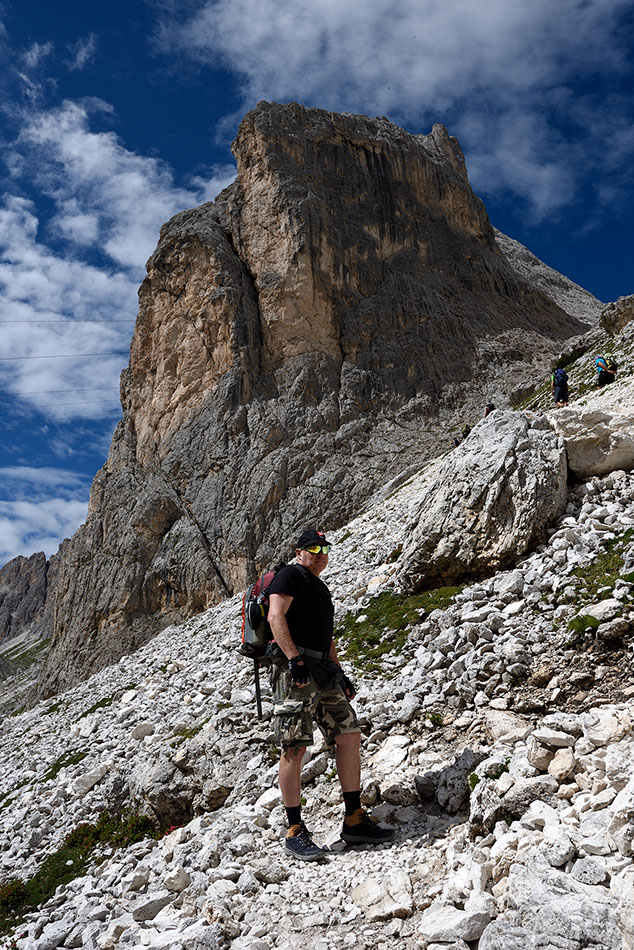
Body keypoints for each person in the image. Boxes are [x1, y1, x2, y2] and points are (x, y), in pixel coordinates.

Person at [267, 528, 394, 861]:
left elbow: (327, 636)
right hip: (295, 669)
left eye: (325, 548)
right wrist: (293, 659)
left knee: (349, 734)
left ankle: (354, 819)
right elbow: (275, 616)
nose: (321, 553)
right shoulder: (289, 576)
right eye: (313, 547)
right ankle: (294, 829)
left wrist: (340, 673)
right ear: (299, 551)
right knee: (294, 744)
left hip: (323, 670)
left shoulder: (319, 587)